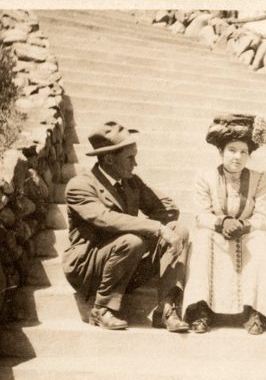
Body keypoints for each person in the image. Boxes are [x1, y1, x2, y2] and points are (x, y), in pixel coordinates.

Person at [63, 121, 190, 332]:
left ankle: (165, 309)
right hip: (89, 268)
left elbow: (168, 209)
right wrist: (154, 229)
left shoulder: (130, 182)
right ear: (109, 159)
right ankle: (100, 309)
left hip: (125, 265)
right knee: (134, 239)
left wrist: (157, 231)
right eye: (130, 158)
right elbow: (106, 218)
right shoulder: (80, 186)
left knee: (179, 229)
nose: (135, 164)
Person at [183, 114, 266, 335]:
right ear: (221, 152)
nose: (237, 157)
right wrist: (223, 222)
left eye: (243, 151)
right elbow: (201, 215)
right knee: (203, 237)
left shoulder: (260, 179)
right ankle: (201, 309)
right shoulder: (204, 177)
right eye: (232, 150)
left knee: (262, 239)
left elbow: (262, 217)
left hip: (246, 233)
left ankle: (254, 311)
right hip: (217, 232)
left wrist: (242, 226)